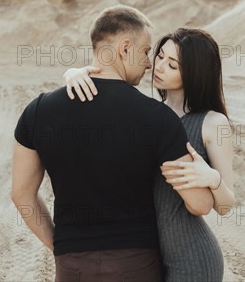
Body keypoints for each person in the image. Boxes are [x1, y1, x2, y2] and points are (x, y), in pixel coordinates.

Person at [11, 6, 214, 282]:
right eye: (145, 52)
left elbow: (21, 194)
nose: (147, 64)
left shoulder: (37, 111)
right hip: (135, 265)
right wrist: (209, 177)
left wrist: (61, 246)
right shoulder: (156, 117)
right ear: (125, 48)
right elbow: (200, 203)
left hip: (72, 265)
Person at [64, 27, 236, 282]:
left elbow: (225, 206)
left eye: (173, 64)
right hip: (145, 260)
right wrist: (74, 74)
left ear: (195, 72)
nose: (160, 66)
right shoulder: (149, 113)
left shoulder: (212, 123)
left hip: (193, 261)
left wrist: (212, 179)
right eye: (160, 56)